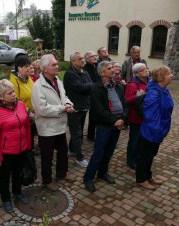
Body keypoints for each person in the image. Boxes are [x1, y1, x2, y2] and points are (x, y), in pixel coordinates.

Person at [31, 54, 74, 192]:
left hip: (60, 125)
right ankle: (47, 180)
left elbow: (64, 96)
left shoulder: (58, 81)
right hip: (47, 128)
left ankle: (62, 174)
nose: (57, 66)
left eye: (56, 64)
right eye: (54, 65)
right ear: (44, 69)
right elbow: (42, 109)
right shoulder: (38, 86)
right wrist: (63, 108)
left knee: (63, 152)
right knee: (47, 156)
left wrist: (68, 103)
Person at [83, 61, 128, 192]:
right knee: (99, 153)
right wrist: (115, 121)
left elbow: (125, 105)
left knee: (109, 152)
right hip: (105, 126)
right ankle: (88, 178)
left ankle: (102, 173)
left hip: (117, 125)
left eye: (113, 68)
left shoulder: (118, 86)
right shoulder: (96, 88)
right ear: (102, 73)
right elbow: (99, 110)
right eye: (110, 68)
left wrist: (122, 119)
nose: (114, 70)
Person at [0, 79, 32, 213]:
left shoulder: (20, 105)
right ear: (1, 97)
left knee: (18, 173)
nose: (14, 94)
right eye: (9, 93)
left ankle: (17, 192)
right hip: (6, 152)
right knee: (5, 176)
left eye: (13, 91)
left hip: (22, 148)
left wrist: (28, 144)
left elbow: (26, 126)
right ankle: (6, 199)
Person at [136, 65, 174, 190]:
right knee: (144, 156)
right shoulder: (153, 93)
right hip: (151, 132)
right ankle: (141, 179)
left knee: (150, 155)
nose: (172, 76)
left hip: (158, 131)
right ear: (162, 78)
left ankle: (148, 176)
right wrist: (159, 131)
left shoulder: (164, 90)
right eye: (169, 74)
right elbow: (151, 117)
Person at [63, 52, 94, 168]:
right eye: (80, 58)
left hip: (84, 106)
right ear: (73, 61)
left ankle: (72, 150)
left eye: (82, 58)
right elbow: (80, 87)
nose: (82, 60)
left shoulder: (84, 72)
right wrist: (88, 86)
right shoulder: (70, 74)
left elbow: (89, 85)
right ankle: (79, 158)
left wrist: (87, 86)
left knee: (79, 131)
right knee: (76, 133)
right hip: (74, 108)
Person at [124, 63, 149, 170]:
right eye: (143, 70)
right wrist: (137, 96)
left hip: (145, 117)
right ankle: (131, 160)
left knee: (142, 140)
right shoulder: (133, 84)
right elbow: (127, 100)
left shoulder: (148, 82)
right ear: (137, 73)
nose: (147, 71)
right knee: (134, 139)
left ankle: (138, 157)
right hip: (136, 117)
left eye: (146, 69)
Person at [9, 55, 36, 149]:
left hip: (33, 115)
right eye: (26, 66)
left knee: (31, 137)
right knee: (25, 139)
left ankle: (30, 152)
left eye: (29, 66)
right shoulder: (14, 82)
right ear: (19, 68)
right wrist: (28, 112)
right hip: (23, 116)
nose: (29, 68)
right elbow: (15, 101)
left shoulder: (28, 79)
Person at [83, 51, 99, 141]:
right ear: (87, 59)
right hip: (90, 94)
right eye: (92, 56)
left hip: (98, 92)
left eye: (95, 56)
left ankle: (93, 133)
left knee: (96, 114)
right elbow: (88, 82)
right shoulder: (85, 69)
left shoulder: (97, 66)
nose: (95, 57)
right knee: (92, 115)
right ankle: (91, 135)